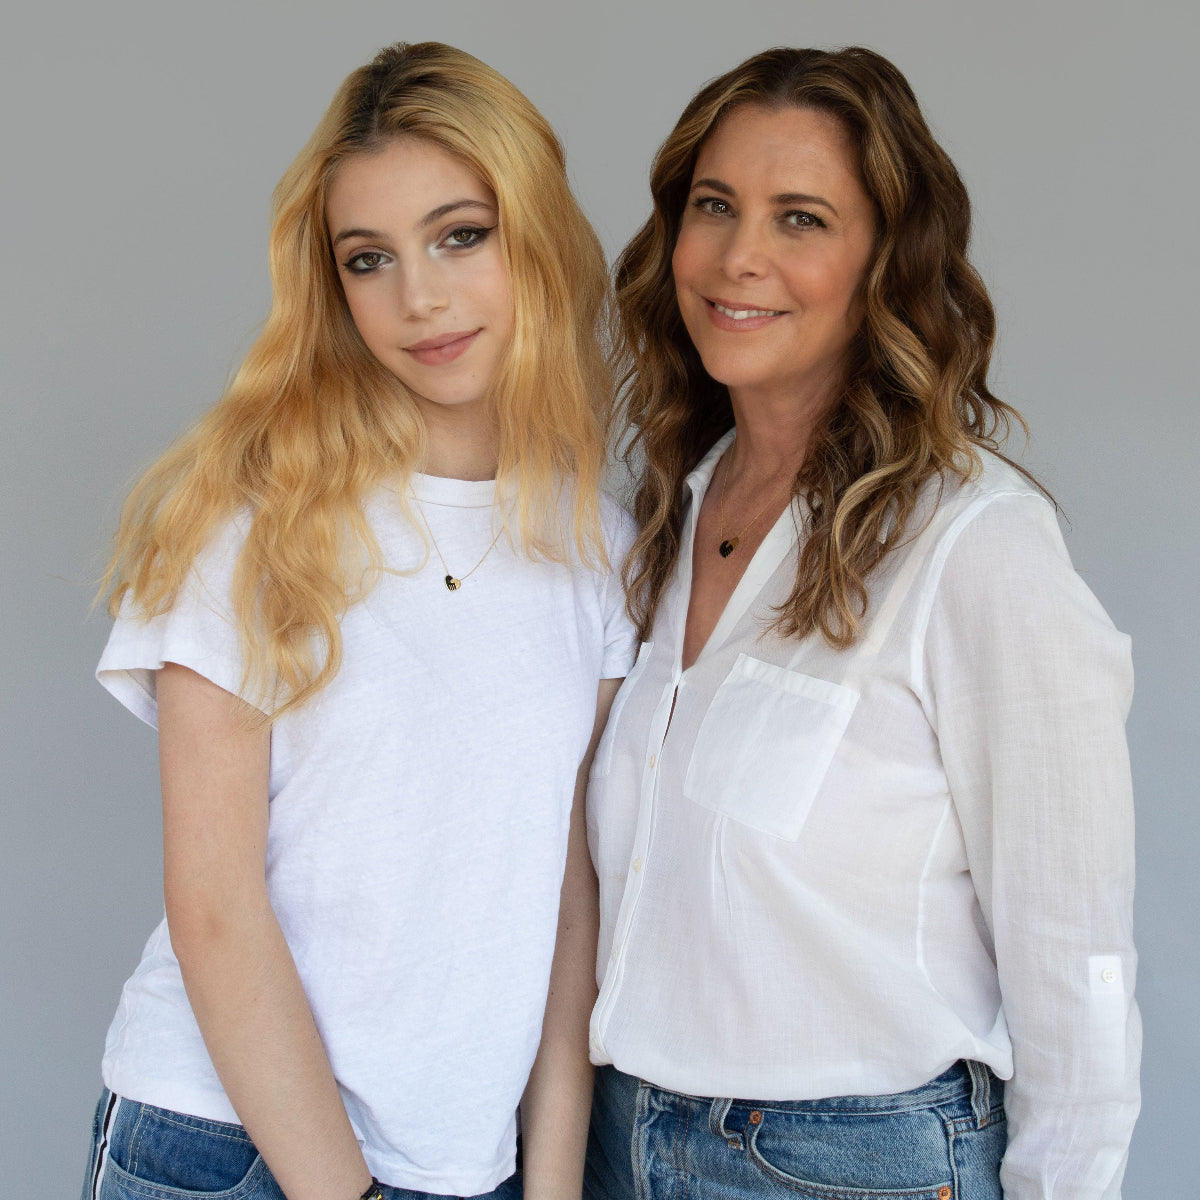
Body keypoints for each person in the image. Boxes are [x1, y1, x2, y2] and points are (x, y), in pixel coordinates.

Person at [82, 41, 636, 1200]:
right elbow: (215, 903)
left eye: (460, 235)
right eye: (368, 258)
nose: (418, 297)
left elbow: (567, 898)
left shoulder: (599, 547)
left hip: (473, 1167)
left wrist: (551, 1184)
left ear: (534, 237)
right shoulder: (253, 522)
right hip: (227, 1151)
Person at [585, 46, 1139, 1200]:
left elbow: (1075, 962)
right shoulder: (670, 513)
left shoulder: (975, 546)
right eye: (715, 206)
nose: (741, 258)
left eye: (802, 219)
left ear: (887, 260)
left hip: (848, 1168)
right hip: (621, 1142)